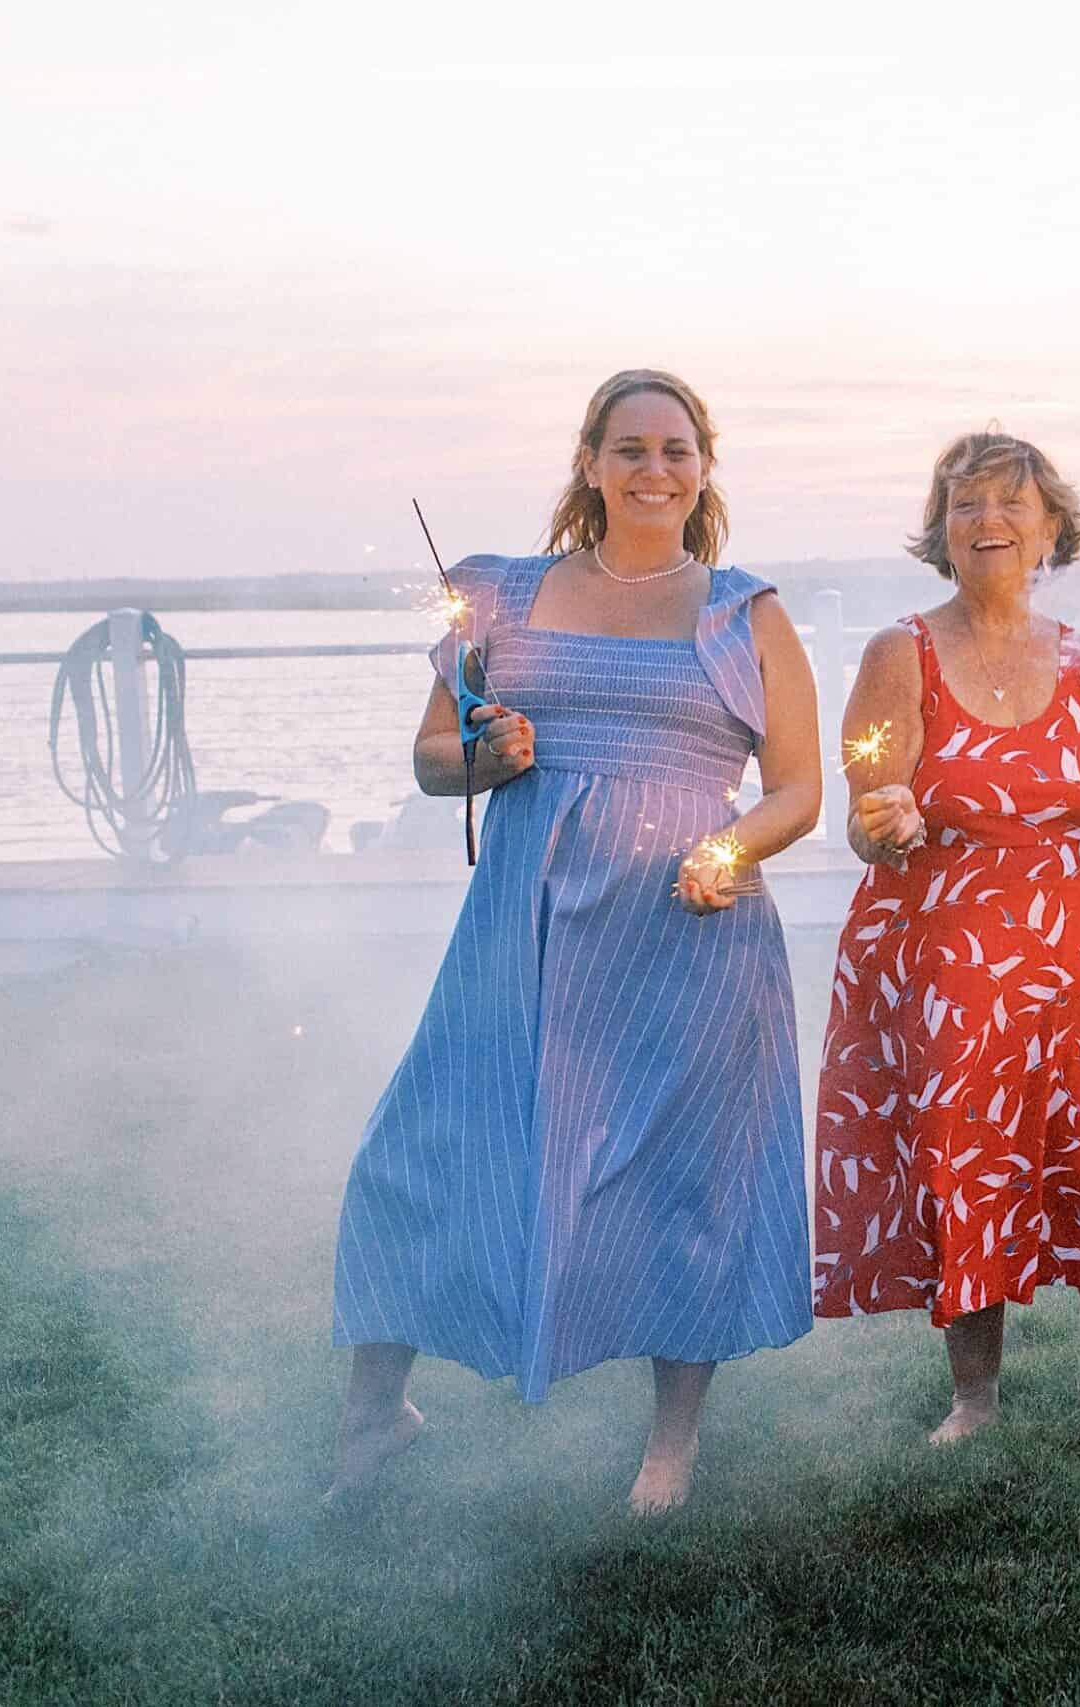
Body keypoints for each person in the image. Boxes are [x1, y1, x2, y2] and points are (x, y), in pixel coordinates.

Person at [328, 369, 821, 1514]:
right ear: (589, 463)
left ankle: (669, 1447)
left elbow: (797, 792)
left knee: (679, 1179)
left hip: (686, 936)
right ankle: (373, 1414)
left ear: (705, 469)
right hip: (524, 928)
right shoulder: (495, 595)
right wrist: (486, 759)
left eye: (677, 450)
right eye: (631, 448)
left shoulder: (746, 612)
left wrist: (732, 853)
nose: (656, 469)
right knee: (424, 1148)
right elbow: (431, 760)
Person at [809, 431, 1080, 1460]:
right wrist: (887, 820)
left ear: (1051, 528)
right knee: (968, 1166)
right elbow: (861, 811)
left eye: (1010, 502)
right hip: (947, 958)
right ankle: (975, 1398)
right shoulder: (896, 653)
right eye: (964, 503)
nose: (986, 520)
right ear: (940, 528)